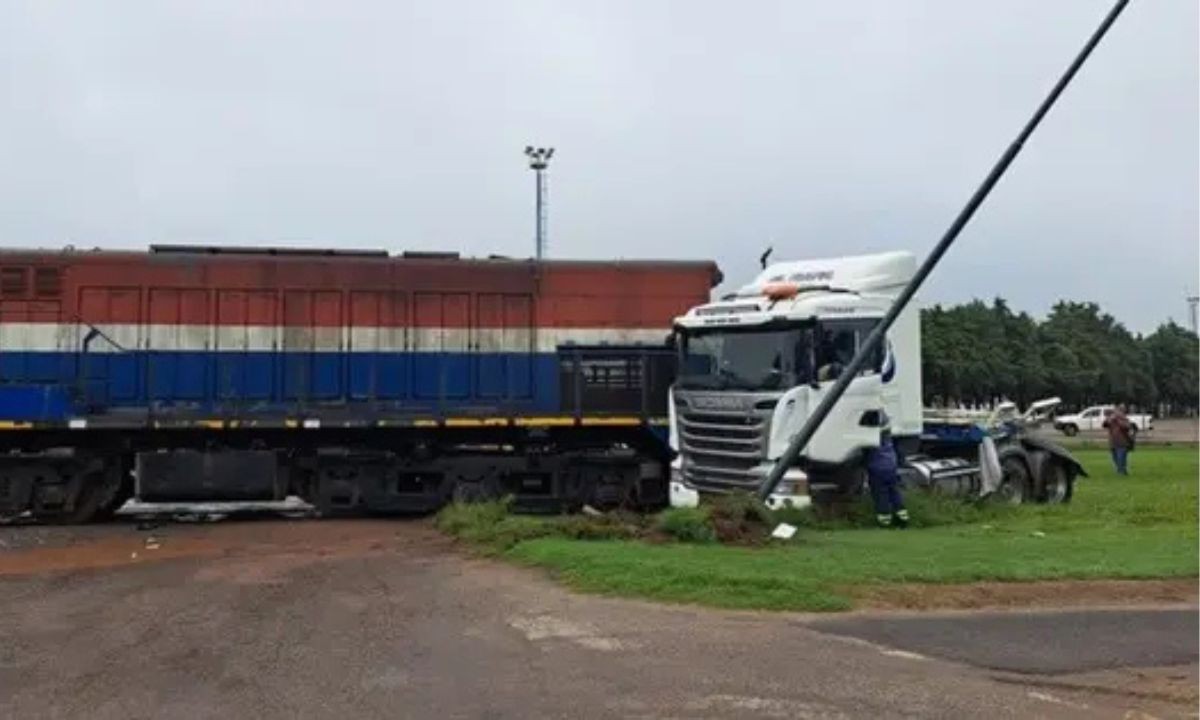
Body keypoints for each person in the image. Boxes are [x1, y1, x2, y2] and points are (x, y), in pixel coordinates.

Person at [866, 413, 908, 528]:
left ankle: (885, 522)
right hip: (891, 465)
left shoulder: (872, 437)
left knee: (881, 495)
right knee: (895, 492)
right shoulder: (887, 436)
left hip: (877, 468)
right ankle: (902, 519)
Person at [1102, 404, 1134, 476]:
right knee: (1115, 457)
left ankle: (1122, 471)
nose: (1118, 412)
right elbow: (1104, 425)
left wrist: (1118, 420)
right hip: (1113, 441)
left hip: (1122, 441)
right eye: (1117, 410)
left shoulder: (1124, 419)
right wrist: (1108, 418)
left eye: (1120, 410)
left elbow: (1127, 427)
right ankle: (1122, 470)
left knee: (1121, 458)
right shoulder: (1111, 419)